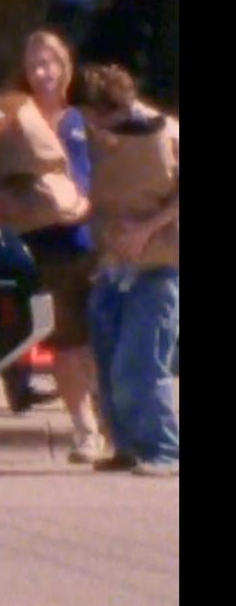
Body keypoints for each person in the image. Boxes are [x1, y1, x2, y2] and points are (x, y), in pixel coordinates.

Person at [6, 31, 107, 463]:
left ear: (65, 67)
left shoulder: (79, 122)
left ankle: (110, 423)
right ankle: (85, 431)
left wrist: (84, 202)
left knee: (99, 340)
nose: (43, 72)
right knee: (65, 343)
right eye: (34, 66)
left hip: (84, 242)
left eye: (50, 63)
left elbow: (98, 178)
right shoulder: (17, 122)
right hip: (41, 244)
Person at [75, 64, 179, 477]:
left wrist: (146, 229)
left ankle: (165, 450)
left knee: (141, 360)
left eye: (102, 116)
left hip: (157, 266)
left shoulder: (165, 133)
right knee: (107, 358)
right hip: (111, 264)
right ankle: (126, 447)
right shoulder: (95, 140)